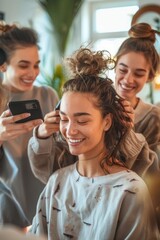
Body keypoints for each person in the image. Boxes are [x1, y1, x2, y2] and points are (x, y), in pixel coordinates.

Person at [30, 47, 159, 239]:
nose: (70, 130)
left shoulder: (130, 191)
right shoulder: (56, 181)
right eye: (64, 119)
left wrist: (127, 131)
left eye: (82, 120)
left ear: (107, 121)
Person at [0, 21, 59, 228]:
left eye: (36, 64)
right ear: (3, 64)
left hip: (49, 200)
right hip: (8, 207)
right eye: (23, 65)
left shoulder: (47, 95)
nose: (33, 73)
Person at [114, 22, 160, 225]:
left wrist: (128, 131)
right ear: (114, 66)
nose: (128, 79)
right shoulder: (93, 107)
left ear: (150, 76)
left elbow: (149, 174)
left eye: (139, 74)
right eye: (122, 69)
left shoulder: (153, 118)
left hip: (133, 209)